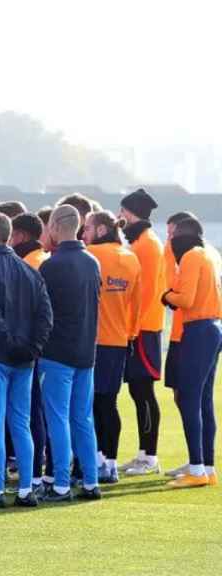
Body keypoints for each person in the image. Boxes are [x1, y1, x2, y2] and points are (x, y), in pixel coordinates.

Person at [0, 211, 52, 509]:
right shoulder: (30, 271)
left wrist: (11, 343)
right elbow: (45, 316)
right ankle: (26, 489)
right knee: (21, 423)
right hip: (24, 359)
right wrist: (31, 348)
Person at [38, 205, 102, 502]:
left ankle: (62, 483)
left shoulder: (51, 266)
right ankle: (90, 481)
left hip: (57, 353)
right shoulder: (92, 262)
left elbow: (41, 312)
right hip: (85, 351)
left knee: (58, 418)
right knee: (82, 418)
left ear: (53, 226)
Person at [162, 217, 222, 488]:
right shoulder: (207, 254)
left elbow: (185, 299)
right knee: (203, 400)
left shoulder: (189, 257)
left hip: (198, 329)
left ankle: (197, 469)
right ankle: (207, 468)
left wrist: (167, 296)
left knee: (189, 398)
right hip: (212, 327)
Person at [83, 211, 142, 484]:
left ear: (102, 229)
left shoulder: (91, 254)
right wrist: (129, 335)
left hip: (91, 340)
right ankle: (111, 462)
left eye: (87, 228)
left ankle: (94, 460)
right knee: (109, 403)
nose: (83, 234)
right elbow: (136, 306)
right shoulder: (131, 258)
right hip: (119, 340)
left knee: (89, 404)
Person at [117, 188, 167, 476]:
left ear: (132, 212)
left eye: (123, 211)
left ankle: (149, 456)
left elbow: (144, 293)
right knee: (138, 391)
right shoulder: (142, 241)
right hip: (139, 327)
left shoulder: (146, 245)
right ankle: (144, 454)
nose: (120, 216)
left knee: (143, 391)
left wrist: (132, 330)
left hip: (143, 328)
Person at [10, 212, 50, 496]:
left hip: (30, 349)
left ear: (22, 236)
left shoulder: (30, 264)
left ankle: (34, 471)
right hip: (41, 347)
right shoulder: (40, 260)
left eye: (13, 235)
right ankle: (35, 469)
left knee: (31, 413)